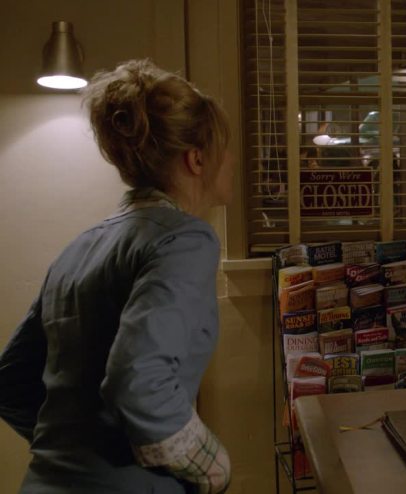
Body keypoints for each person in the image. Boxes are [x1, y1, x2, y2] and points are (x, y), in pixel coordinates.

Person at [0, 59, 232, 493]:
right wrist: (213, 467)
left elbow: (11, 382)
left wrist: (74, 452)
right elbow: (138, 381)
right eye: (225, 148)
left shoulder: (79, 247)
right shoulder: (185, 239)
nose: (232, 160)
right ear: (197, 159)